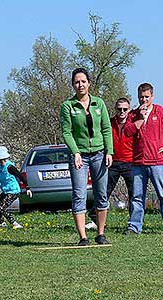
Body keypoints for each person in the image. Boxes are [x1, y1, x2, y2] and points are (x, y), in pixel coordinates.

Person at [60, 67, 113, 246]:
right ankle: (83, 237)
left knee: (101, 194)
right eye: (77, 82)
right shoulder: (67, 106)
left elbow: (106, 129)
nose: (80, 84)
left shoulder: (99, 103)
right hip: (79, 156)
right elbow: (67, 132)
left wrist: (109, 151)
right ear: (73, 85)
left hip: (99, 154)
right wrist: (75, 152)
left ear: (89, 83)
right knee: (79, 194)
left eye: (83, 81)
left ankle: (101, 233)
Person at [123, 83, 163, 234]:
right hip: (138, 163)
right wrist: (140, 120)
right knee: (136, 197)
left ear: (152, 96)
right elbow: (127, 132)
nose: (144, 100)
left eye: (147, 97)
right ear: (138, 97)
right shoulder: (133, 114)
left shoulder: (162, 112)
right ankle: (134, 226)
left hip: (158, 163)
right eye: (141, 97)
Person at [86, 97, 134, 230]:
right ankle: (96, 218)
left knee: (134, 193)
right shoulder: (109, 122)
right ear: (115, 109)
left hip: (130, 162)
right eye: (119, 109)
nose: (122, 111)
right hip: (112, 161)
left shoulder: (133, 123)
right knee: (103, 191)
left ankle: (133, 222)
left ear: (129, 110)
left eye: (125, 109)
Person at [0, 146, 32, 229]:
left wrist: (27, 188)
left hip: (13, 191)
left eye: (2, 160)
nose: (1, 162)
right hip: (6, 191)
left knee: (1, 207)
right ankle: (2, 223)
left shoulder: (10, 167)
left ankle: (15, 223)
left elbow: (21, 177)